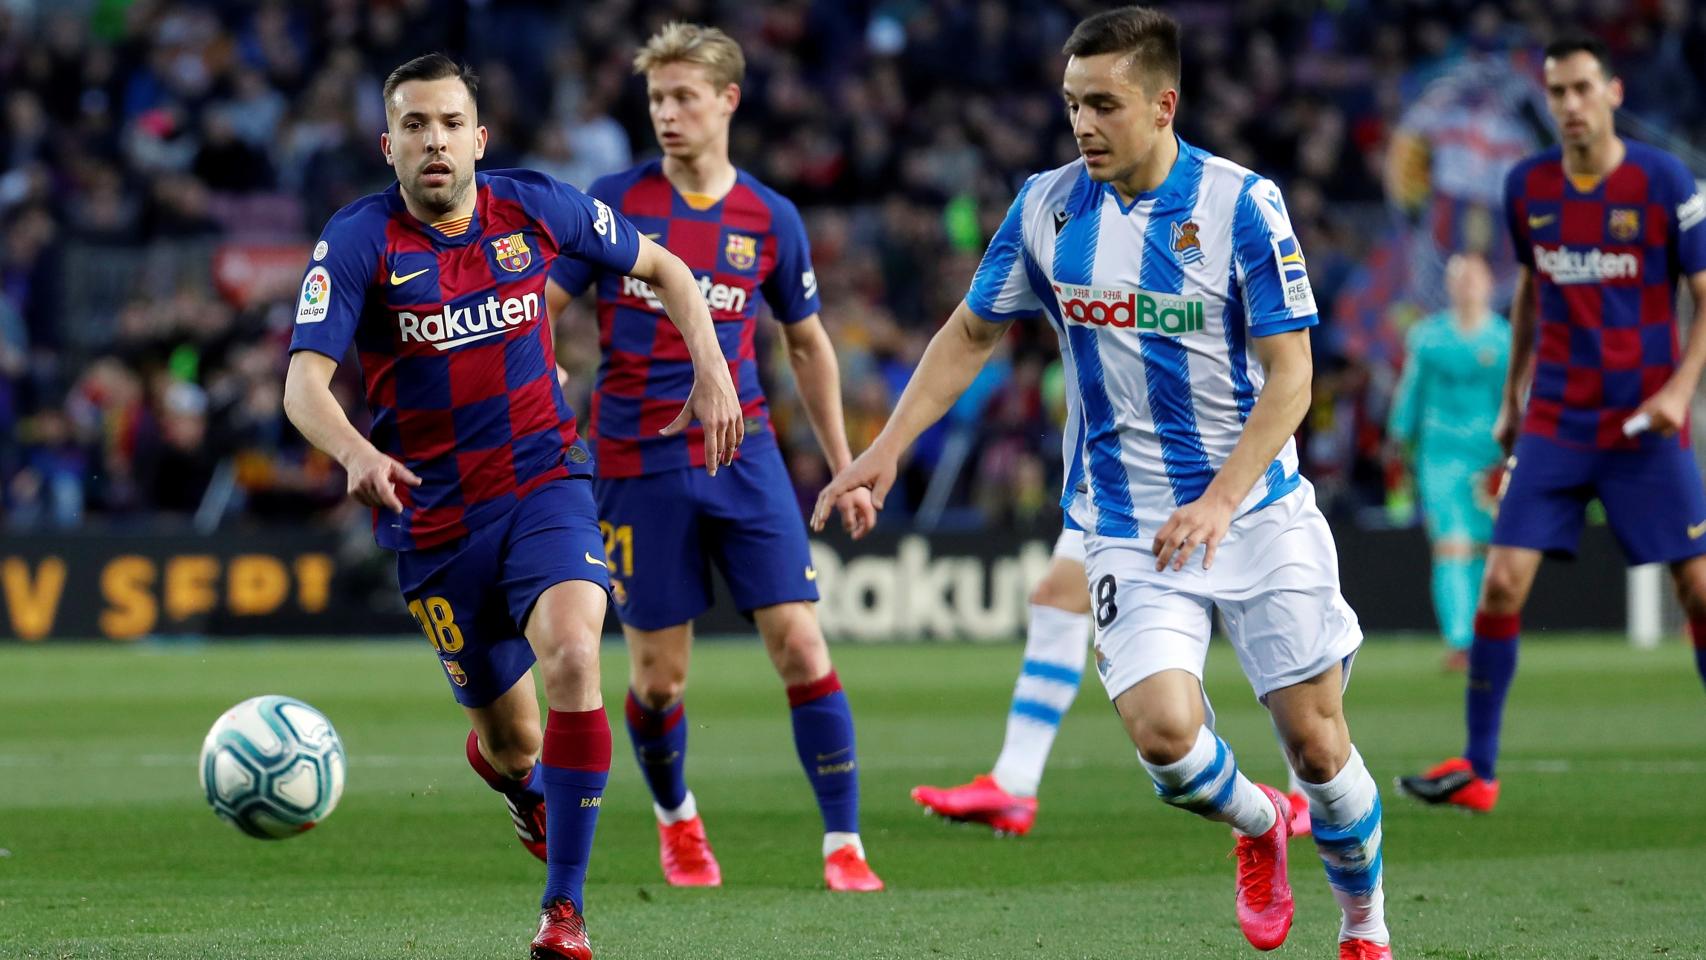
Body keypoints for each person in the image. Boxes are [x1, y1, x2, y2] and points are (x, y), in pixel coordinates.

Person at [815, 8, 1390, 957]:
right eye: (1072, 104)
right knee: (1167, 742)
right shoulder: (1047, 207)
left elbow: (1293, 379)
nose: (1083, 124)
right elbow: (971, 332)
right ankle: (1258, 827)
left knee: (1321, 749)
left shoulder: (1242, 204)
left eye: (1104, 105)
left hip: (1258, 513)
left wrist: (1219, 499)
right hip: (1126, 520)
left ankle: (1365, 928)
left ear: (1164, 107)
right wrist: (886, 450)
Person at [281, 53, 743, 960]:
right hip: (436, 524)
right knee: (516, 745)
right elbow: (303, 384)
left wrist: (714, 370)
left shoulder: (535, 204)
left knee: (575, 653)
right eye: (414, 126)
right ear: (388, 146)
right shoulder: (358, 240)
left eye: (450, 123)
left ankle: (562, 913)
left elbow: (669, 270)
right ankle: (517, 782)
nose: (435, 141)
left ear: (479, 138)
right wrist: (358, 452)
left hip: (545, 483)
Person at [544, 23, 882, 893]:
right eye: (657, 98)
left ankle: (844, 845)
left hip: (745, 454)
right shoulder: (614, 201)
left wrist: (844, 462)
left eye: (684, 96)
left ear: (728, 100)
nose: (667, 114)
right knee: (658, 681)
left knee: (802, 646)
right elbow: (542, 301)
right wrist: (538, 373)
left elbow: (807, 345)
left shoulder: (769, 217)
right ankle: (677, 821)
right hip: (632, 462)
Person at [1399, 34, 1706, 814]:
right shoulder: (1527, 186)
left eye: (1579, 89)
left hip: (1644, 421)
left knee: (1698, 591)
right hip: (1558, 421)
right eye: (1555, 92)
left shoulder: (1664, 180)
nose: (1568, 104)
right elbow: (1532, 293)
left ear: (1613, 92)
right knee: (1500, 585)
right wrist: (1512, 401)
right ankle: (1479, 769)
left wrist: (1679, 393)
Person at [910, 531, 1316, 840]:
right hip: (1112, 471)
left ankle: (1304, 794)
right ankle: (1013, 784)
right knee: (1056, 596)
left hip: (1197, 466)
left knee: (1250, 611)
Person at [1385, 253, 1510, 670]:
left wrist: (1516, 451)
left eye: (1476, 277)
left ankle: (1485, 635)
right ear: (1450, 286)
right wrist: (1399, 439)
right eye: (1461, 278)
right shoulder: (1428, 338)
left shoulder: (1504, 339)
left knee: (1485, 549)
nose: (1468, 285)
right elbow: (1412, 390)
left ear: (1490, 284)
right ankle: (1461, 638)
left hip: (1490, 458)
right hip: (1440, 454)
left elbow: (1515, 400)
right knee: (1451, 545)